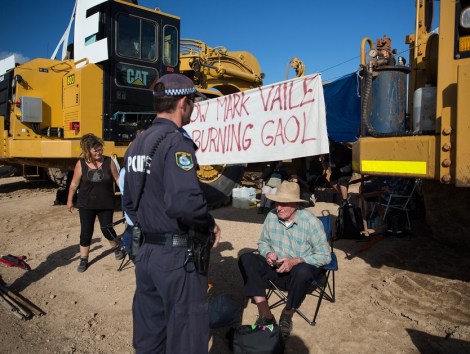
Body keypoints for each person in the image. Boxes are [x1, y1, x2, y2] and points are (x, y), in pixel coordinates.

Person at [122, 73, 221, 354]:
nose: (193, 108)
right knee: (187, 336)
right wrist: (209, 224)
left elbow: (129, 203)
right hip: (176, 257)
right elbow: (185, 203)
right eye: (192, 102)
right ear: (182, 103)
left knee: (150, 333)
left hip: (146, 255)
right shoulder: (176, 141)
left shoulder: (136, 145)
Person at [238, 181, 331, 338]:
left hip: (298, 273)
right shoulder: (272, 216)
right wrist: (268, 253)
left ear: (295, 204)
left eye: (283, 203)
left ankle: (287, 313)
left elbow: (325, 255)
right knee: (246, 259)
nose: (278, 207)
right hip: (275, 267)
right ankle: (265, 314)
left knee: (302, 270)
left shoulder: (311, 222)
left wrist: (295, 261)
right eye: (277, 202)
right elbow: (263, 242)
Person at [66, 133, 124, 273]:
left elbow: (117, 179)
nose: (99, 152)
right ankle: (83, 259)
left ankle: (116, 247)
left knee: (107, 228)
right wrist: (69, 200)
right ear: (88, 151)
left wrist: (126, 194)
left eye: (100, 149)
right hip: (86, 203)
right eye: (95, 150)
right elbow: (74, 183)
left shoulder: (109, 161)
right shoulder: (80, 164)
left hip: (106, 202)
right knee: (86, 231)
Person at [329, 140, 353, 206]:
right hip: (337, 169)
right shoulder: (330, 152)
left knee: (342, 181)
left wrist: (350, 165)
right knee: (332, 181)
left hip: (346, 168)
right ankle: (345, 195)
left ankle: (345, 201)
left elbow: (352, 155)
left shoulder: (344, 149)